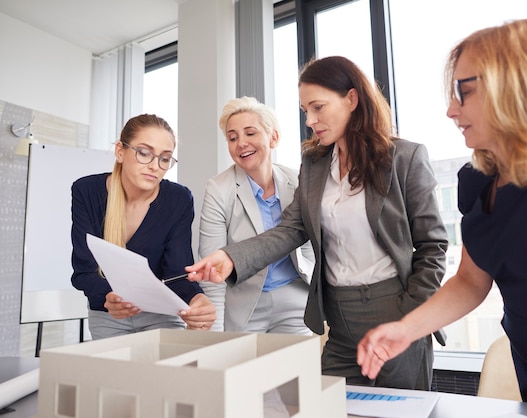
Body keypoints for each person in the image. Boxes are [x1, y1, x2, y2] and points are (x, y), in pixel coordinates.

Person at [356, 19, 527, 417]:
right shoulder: (480, 181)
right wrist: (405, 330)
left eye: (464, 92)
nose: (451, 110)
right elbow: (470, 282)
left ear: (517, 87)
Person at [185, 55, 448, 390]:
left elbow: (433, 245)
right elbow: (292, 228)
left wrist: (412, 314)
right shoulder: (314, 162)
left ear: (352, 99)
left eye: (318, 107)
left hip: (395, 308)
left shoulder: (405, 158)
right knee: (325, 404)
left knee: (400, 410)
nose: (310, 120)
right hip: (339, 317)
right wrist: (231, 258)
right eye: (304, 110)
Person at [71, 113, 216, 340]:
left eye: (165, 158)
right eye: (144, 153)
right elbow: (84, 270)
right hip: (108, 317)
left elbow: (177, 269)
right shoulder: (86, 191)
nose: (154, 166)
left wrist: (197, 299)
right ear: (120, 151)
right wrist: (108, 297)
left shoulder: (178, 199)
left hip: (162, 316)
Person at [198, 96, 314, 334]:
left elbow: (309, 248)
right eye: (232, 137)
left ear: (274, 137)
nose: (241, 143)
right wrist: (215, 333)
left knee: (299, 367)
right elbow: (213, 270)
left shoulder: (299, 181)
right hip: (244, 304)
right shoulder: (218, 189)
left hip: (295, 297)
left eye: (250, 133)